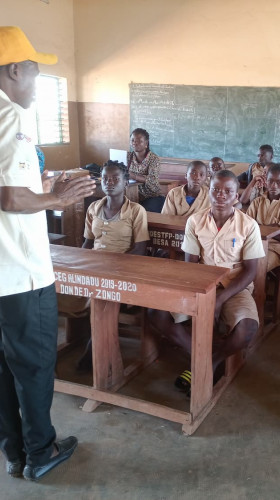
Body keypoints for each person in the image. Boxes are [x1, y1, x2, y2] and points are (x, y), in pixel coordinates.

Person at [0, 26, 96, 481]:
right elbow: (10, 198)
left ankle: (14, 452)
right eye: (35, 71)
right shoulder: (11, 116)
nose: (37, 82)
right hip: (20, 275)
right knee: (35, 365)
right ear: (14, 70)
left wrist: (43, 190)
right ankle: (41, 452)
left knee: (3, 368)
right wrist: (56, 200)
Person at [149, 170, 265, 395]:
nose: (221, 195)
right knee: (157, 313)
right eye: (216, 190)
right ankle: (201, 356)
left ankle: (213, 360)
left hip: (234, 286)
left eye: (228, 191)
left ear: (236, 196)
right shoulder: (195, 220)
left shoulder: (249, 225)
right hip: (200, 282)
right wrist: (205, 296)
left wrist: (220, 298)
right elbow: (190, 264)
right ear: (208, 191)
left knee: (248, 328)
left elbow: (251, 271)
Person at [59, 161, 150, 370]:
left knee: (100, 297)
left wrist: (113, 268)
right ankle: (85, 337)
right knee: (63, 290)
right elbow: (88, 243)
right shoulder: (93, 207)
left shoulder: (136, 211)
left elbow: (139, 250)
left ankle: (94, 349)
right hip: (94, 266)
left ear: (125, 182)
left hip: (121, 270)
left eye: (116, 179)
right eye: (105, 179)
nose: (110, 183)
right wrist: (79, 265)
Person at [246, 164, 280, 271]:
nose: (273, 185)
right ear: (266, 181)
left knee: (258, 267)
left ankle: (257, 288)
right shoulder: (257, 202)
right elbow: (246, 229)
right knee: (236, 262)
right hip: (254, 244)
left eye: (278, 182)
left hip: (275, 248)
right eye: (270, 181)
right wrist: (273, 228)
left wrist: (258, 227)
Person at [127, 128, 165, 212]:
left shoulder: (153, 159)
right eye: (132, 140)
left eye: (139, 141)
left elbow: (152, 180)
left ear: (146, 143)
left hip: (151, 196)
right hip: (130, 194)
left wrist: (133, 176)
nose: (134, 143)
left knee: (141, 212)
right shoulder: (127, 156)